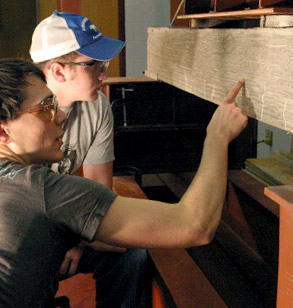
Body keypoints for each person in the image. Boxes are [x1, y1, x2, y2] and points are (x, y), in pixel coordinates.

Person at [0, 58, 247, 307]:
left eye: (54, 103)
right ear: (3, 132)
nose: (62, 116)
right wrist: (217, 136)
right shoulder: (46, 191)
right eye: (46, 108)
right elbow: (194, 225)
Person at [30, 11, 147, 308]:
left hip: (67, 231)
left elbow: (99, 193)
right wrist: (70, 239)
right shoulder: (20, 114)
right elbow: (18, 211)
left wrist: (81, 241)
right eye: (94, 64)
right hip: (23, 235)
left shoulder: (97, 107)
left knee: (132, 253)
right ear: (58, 71)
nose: (104, 74)